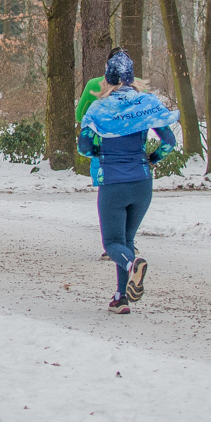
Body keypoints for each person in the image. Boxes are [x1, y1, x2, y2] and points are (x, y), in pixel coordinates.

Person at [77, 49, 178, 315]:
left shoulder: (98, 108)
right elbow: (169, 142)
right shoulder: (146, 103)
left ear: (107, 80)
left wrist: (103, 153)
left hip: (113, 183)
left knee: (112, 243)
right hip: (142, 183)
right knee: (126, 239)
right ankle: (121, 298)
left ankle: (133, 264)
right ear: (132, 78)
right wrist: (152, 158)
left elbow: (84, 147)